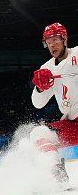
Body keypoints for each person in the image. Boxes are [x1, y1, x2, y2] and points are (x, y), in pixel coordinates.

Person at [30, 22, 75, 186]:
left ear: (64, 39)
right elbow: (38, 104)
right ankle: (59, 174)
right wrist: (40, 88)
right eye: (48, 42)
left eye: (55, 40)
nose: (52, 45)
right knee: (39, 134)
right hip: (73, 123)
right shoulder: (47, 68)